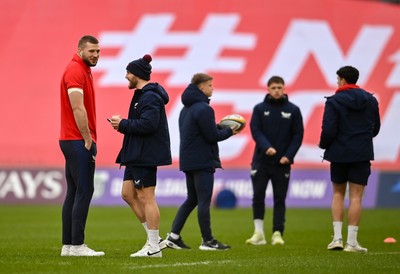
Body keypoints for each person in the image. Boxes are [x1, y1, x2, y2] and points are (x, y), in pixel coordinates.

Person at [164, 73, 240, 251]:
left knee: (192, 199)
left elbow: (201, 132)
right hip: (202, 160)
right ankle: (208, 241)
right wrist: (229, 131)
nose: (212, 88)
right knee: (204, 200)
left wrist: (219, 127)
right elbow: (212, 136)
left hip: (189, 160)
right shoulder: (205, 109)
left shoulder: (186, 109)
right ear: (201, 87)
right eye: (210, 85)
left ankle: (173, 237)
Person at [109, 54, 172, 258]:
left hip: (146, 154)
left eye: (128, 72)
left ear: (136, 74)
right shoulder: (141, 95)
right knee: (127, 194)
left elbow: (149, 124)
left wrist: (123, 125)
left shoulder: (150, 96)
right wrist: (124, 124)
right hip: (135, 153)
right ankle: (155, 240)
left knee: (147, 197)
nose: (126, 76)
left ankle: (153, 247)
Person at [319, 66, 380, 253]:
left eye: (338, 79)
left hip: (339, 153)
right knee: (356, 197)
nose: (337, 82)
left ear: (343, 80)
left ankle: (337, 239)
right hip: (361, 153)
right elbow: (375, 128)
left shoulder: (334, 101)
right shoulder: (371, 100)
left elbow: (329, 129)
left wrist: (323, 144)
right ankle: (352, 243)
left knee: (338, 193)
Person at [59, 35, 104, 256]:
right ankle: (77, 245)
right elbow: (78, 108)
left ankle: (68, 246)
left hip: (70, 139)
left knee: (74, 192)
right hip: (77, 139)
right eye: (91, 51)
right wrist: (87, 138)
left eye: (97, 51)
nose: (95, 55)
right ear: (80, 50)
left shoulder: (82, 69)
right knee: (85, 191)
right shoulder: (75, 70)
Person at [246, 76, 304, 246]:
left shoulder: (293, 110)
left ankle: (277, 233)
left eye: (279, 87)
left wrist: (289, 155)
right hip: (261, 161)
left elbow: (298, 135)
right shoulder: (259, 109)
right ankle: (258, 233)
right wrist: (266, 147)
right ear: (268, 89)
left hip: (282, 163)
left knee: (280, 199)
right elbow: (255, 130)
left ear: (284, 88)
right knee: (258, 196)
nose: (277, 90)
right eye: (273, 88)